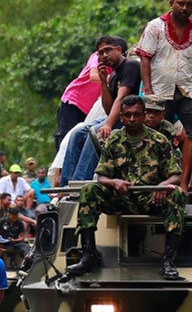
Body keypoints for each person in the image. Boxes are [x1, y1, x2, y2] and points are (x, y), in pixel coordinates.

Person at [66, 95, 185, 280]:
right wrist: (114, 182)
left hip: (150, 198)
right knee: (89, 190)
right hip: (121, 197)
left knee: (176, 193)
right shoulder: (113, 141)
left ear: (144, 115)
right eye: (127, 115)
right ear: (121, 117)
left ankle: (168, 260)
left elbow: (176, 175)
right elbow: (102, 176)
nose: (131, 119)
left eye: (136, 114)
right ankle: (89, 254)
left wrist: (163, 186)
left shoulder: (160, 141)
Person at [137, 0, 192, 193]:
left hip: (186, 89)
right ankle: (156, 181)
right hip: (159, 90)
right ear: (171, 4)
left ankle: (191, 180)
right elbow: (145, 58)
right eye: (180, 3)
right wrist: (148, 89)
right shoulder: (155, 27)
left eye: (189, 4)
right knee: (155, 134)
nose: (184, 7)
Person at [63, 36, 143, 184]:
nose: (104, 55)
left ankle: (80, 182)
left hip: (131, 117)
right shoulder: (113, 75)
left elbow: (121, 98)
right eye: (100, 53)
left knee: (94, 133)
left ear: (119, 50)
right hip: (116, 116)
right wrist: (103, 83)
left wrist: (108, 125)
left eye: (108, 50)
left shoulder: (130, 66)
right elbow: (108, 108)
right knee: (78, 132)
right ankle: (66, 183)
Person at [54, 49, 108, 150]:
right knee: (65, 135)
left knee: (81, 139)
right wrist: (112, 78)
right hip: (75, 101)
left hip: (90, 110)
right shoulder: (97, 56)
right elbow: (93, 76)